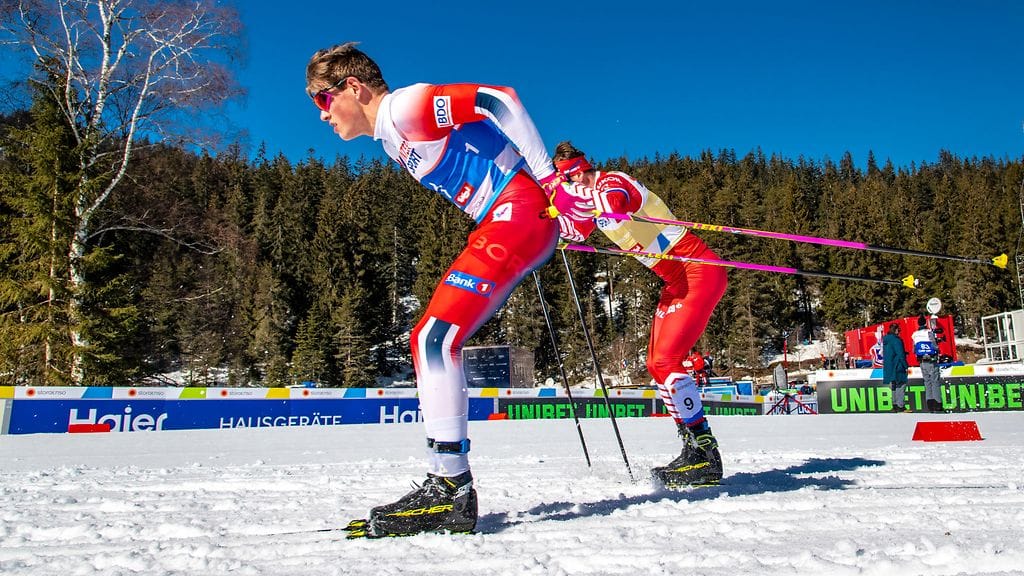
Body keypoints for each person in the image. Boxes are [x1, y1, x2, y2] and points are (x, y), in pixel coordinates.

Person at [306, 43, 598, 538]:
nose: (322, 115)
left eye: (321, 99)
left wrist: (550, 182)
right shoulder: (391, 139)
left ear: (352, 88)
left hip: (517, 209)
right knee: (431, 338)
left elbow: (498, 98)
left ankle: (450, 488)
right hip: (508, 216)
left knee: (433, 338)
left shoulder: (404, 109)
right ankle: (448, 484)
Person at [552, 141, 728, 488]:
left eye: (572, 179)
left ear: (581, 171)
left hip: (697, 270)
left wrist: (581, 207)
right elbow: (578, 230)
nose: (574, 186)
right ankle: (695, 449)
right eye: (567, 182)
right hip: (674, 280)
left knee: (665, 361)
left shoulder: (611, 183)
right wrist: (554, 232)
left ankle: (705, 454)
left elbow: (615, 204)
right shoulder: (591, 204)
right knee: (655, 363)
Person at [911, 315, 943, 412]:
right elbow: (934, 345)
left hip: (921, 361)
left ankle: (930, 405)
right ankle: (938, 404)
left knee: (927, 382)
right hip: (931, 360)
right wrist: (938, 345)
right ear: (925, 323)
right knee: (935, 382)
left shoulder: (915, 334)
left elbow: (913, 349)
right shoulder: (928, 333)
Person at [882, 323, 910, 412]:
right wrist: (906, 365)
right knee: (901, 384)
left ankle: (894, 405)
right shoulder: (896, 340)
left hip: (889, 366)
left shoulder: (886, 340)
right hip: (897, 365)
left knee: (893, 384)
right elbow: (900, 354)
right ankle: (900, 405)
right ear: (896, 330)